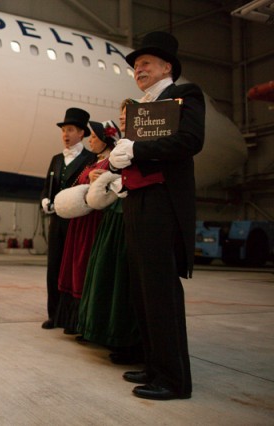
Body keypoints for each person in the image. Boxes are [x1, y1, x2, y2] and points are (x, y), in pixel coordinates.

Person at [109, 31, 205, 400]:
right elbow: (137, 153)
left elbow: (189, 141)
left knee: (160, 290)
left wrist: (137, 150)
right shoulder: (141, 105)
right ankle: (154, 364)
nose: (138, 69)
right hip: (139, 199)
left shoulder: (185, 95)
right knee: (142, 288)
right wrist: (122, 165)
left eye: (146, 62)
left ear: (167, 66)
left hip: (163, 202)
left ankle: (174, 379)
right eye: (135, 65)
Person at [77, 101, 143, 364]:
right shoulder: (119, 149)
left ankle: (125, 339)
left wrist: (108, 178)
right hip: (112, 217)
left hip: (126, 216)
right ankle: (103, 332)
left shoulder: (138, 146)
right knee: (105, 275)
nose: (123, 119)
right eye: (121, 116)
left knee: (121, 280)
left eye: (128, 116)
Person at [56, 120, 119, 335]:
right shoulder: (94, 162)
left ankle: (86, 324)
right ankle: (72, 320)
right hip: (80, 222)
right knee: (74, 265)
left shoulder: (110, 163)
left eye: (94, 137)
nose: (90, 140)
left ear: (105, 140)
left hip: (93, 223)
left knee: (84, 267)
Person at [40, 108, 95, 329]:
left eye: (70, 130)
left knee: (74, 269)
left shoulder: (90, 159)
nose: (65, 134)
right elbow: (47, 188)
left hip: (77, 223)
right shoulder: (55, 159)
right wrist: (45, 200)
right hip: (57, 221)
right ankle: (54, 314)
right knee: (53, 266)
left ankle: (73, 317)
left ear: (81, 133)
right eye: (63, 130)